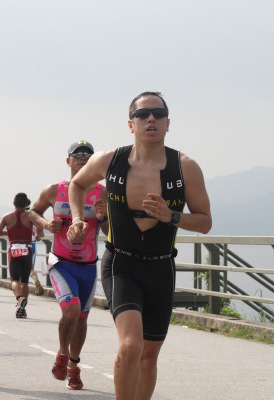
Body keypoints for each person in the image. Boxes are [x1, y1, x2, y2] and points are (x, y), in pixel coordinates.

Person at [66, 91, 212, 400]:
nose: (151, 119)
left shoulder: (185, 167)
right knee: (130, 346)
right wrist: (78, 218)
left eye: (158, 114)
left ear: (168, 123)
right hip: (122, 263)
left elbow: (204, 222)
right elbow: (77, 184)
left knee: (148, 358)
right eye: (143, 114)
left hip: (160, 267)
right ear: (131, 124)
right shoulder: (110, 160)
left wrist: (172, 216)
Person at [29, 140, 108, 390]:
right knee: (72, 311)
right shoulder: (54, 190)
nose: (83, 158)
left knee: (82, 319)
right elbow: (33, 211)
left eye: (88, 155)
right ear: (68, 160)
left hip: (88, 266)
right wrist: (45, 224)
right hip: (61, 263)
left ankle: (74, 365)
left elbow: (110, 232)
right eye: (78, 154)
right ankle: (63, 354)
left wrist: (103, 217)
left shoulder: (103, 193)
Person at [0, 193, 35, 318]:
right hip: (27, 248)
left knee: (15, 280)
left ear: (13, 203)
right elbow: (39, 233)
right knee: (25, 281)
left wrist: (9, 233)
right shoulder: (30, 216)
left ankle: (19, 298)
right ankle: (22, 309)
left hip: (14, 249)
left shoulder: (7, 217)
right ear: (26, 204)